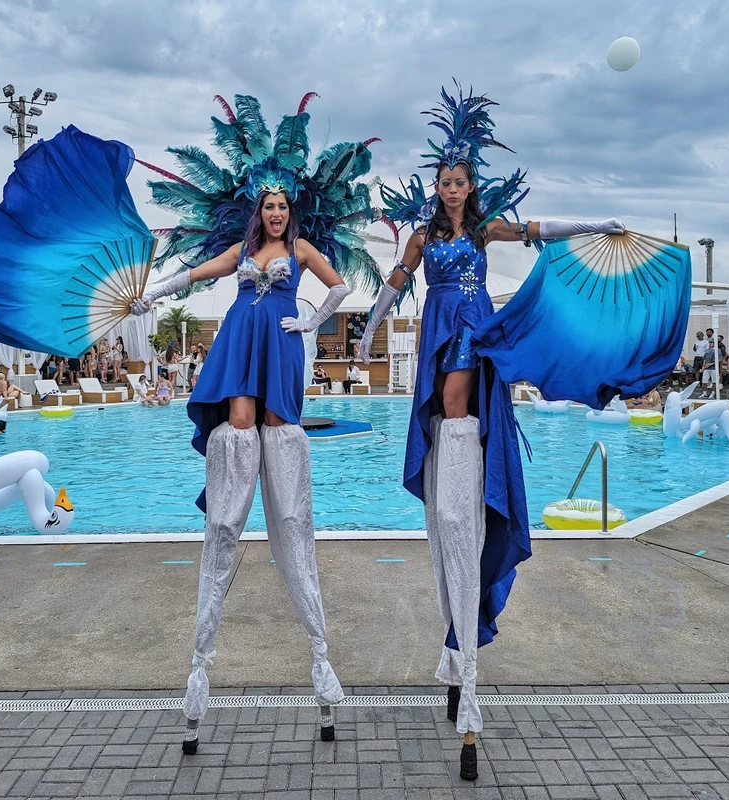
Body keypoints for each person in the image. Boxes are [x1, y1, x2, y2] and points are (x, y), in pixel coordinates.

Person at [359, 86, 628, 782]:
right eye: (444, 181)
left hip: (477, 329)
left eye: (460, 180)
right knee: (448, 408)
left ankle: (462, 660)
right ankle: (458, 656)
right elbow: (395, 283)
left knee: (469, 404)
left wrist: (596, 224)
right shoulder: (423, 239)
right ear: (436, 186)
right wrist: (368, 328)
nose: (452, 189)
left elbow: (539, 229)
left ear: (471, 185)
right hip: (441, 327)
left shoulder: (484, 233)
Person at [132, 181, 350, 754]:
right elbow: (197, 274)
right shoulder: (243, 251)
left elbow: (340, 286)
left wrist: (311, 323)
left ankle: (320, 658)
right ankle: (200, 660)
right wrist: (155, 293)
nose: (276, 213)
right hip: (239, 336)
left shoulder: (300, 249)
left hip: (280, 342)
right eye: (268, 207)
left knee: (278, 429)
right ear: (260, 213)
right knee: (239, 423)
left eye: (282, 207)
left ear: (290, 213)